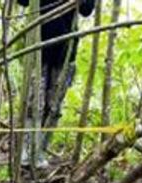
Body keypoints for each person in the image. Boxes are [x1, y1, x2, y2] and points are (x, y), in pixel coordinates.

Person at [16, 0, 96, 169]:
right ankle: (28, 150)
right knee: (33, 101)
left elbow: (87, 9)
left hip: (65, 50)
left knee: (54, 106)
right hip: (37, 48)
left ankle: (40, 152)